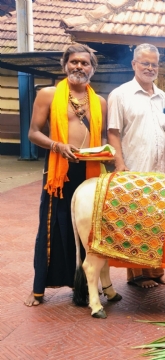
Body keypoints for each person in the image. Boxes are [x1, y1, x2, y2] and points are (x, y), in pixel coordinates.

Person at [24, 44, 107, 306]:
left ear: (92, 69)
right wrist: (57, 146)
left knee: (87, 231)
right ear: (65, 65)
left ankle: (81, 288)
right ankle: (39, 289)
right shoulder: (48, 95)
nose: (79, 67)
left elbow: (102, 137)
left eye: (85, 63)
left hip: (89, 171)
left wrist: (106, 153)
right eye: (74, 62)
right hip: (59, 171)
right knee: (52, 227)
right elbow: (33, 132)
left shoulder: (100, 102)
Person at [107, 43, 165, 288]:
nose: (150, 68)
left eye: (154, 64)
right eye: (144, 63)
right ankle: (138, 275)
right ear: (134, 64)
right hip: (134, 168)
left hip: (160, 169)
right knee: (136, 221)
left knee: (157, 220)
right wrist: (120, 164)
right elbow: (113, 132)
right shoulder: (120, 94)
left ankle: (155, 271)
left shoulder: (163, 96)